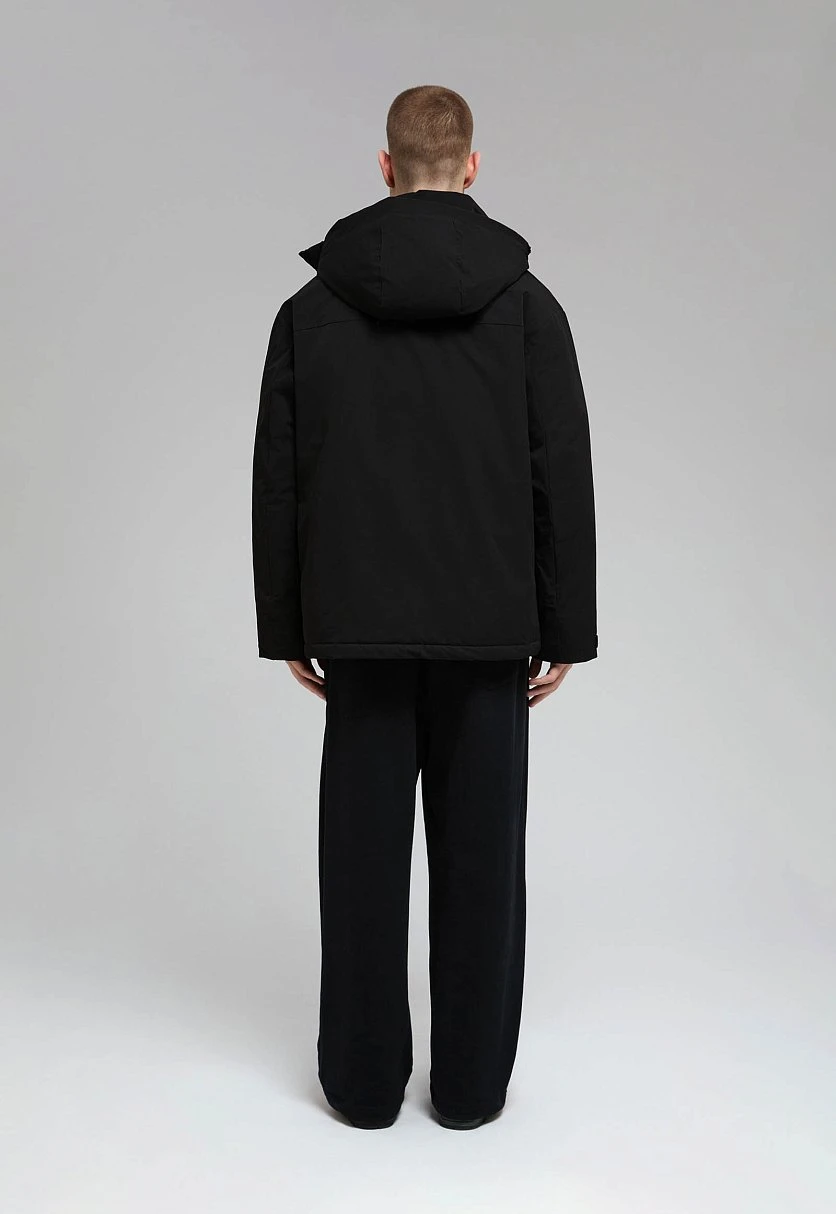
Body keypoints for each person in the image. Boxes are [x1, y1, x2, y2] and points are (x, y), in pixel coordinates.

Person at [251, 84, 597, 1131]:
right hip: (490, 626)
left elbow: (281, 477)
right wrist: (565, 627)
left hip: (358, 625)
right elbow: (558, 472)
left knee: (359, 860)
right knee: (483, 862)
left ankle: (361, 1088)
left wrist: (290, 624)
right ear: (472, 167)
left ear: (385, 165)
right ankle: (472, 1088)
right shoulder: (528, 308)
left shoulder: (310, 313)